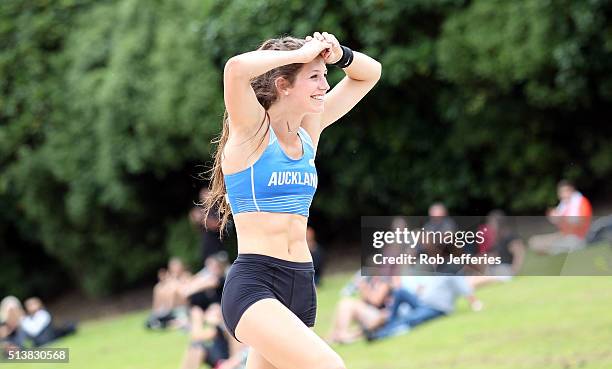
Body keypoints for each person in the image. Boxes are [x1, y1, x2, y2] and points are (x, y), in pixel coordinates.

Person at [203, 32, 381, 369]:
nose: (324, 86)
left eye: (324, 77)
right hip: (256, 283)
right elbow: (236, 69)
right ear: (284, 85)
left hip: (300, 283)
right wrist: (304, 51)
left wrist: (337, 54)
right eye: (314, 77)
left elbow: (370, 73)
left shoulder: (308, 129)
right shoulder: (252, 130)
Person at [367, 276, 483, 341]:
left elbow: (465, 289)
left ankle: (380, 335)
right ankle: (388, 324)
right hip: (422, 301)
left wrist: (475, 303)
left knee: (410, 318)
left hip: (436, 308)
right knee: (399, 293)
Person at [529, 180, 592, 254]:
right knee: (534, 241)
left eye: (566, 191)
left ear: (572, 190)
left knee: (550, 245)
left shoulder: (581, 203)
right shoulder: (563, 206)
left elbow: (581, 224)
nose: (564, 194)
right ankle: (549, 248)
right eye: (562, 192)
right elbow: (562, 227)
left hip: (579, 237)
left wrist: (561, 218)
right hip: (564, 235)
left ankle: (551, 249)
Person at [191, 188, 224, 264]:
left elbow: (217, 226)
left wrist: (202, 218)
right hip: (207, 248)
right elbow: (196, 227)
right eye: (203, 196)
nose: (205, 198)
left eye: (207, 195)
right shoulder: (203, 210)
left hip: (217, 249)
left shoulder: (218, 208)